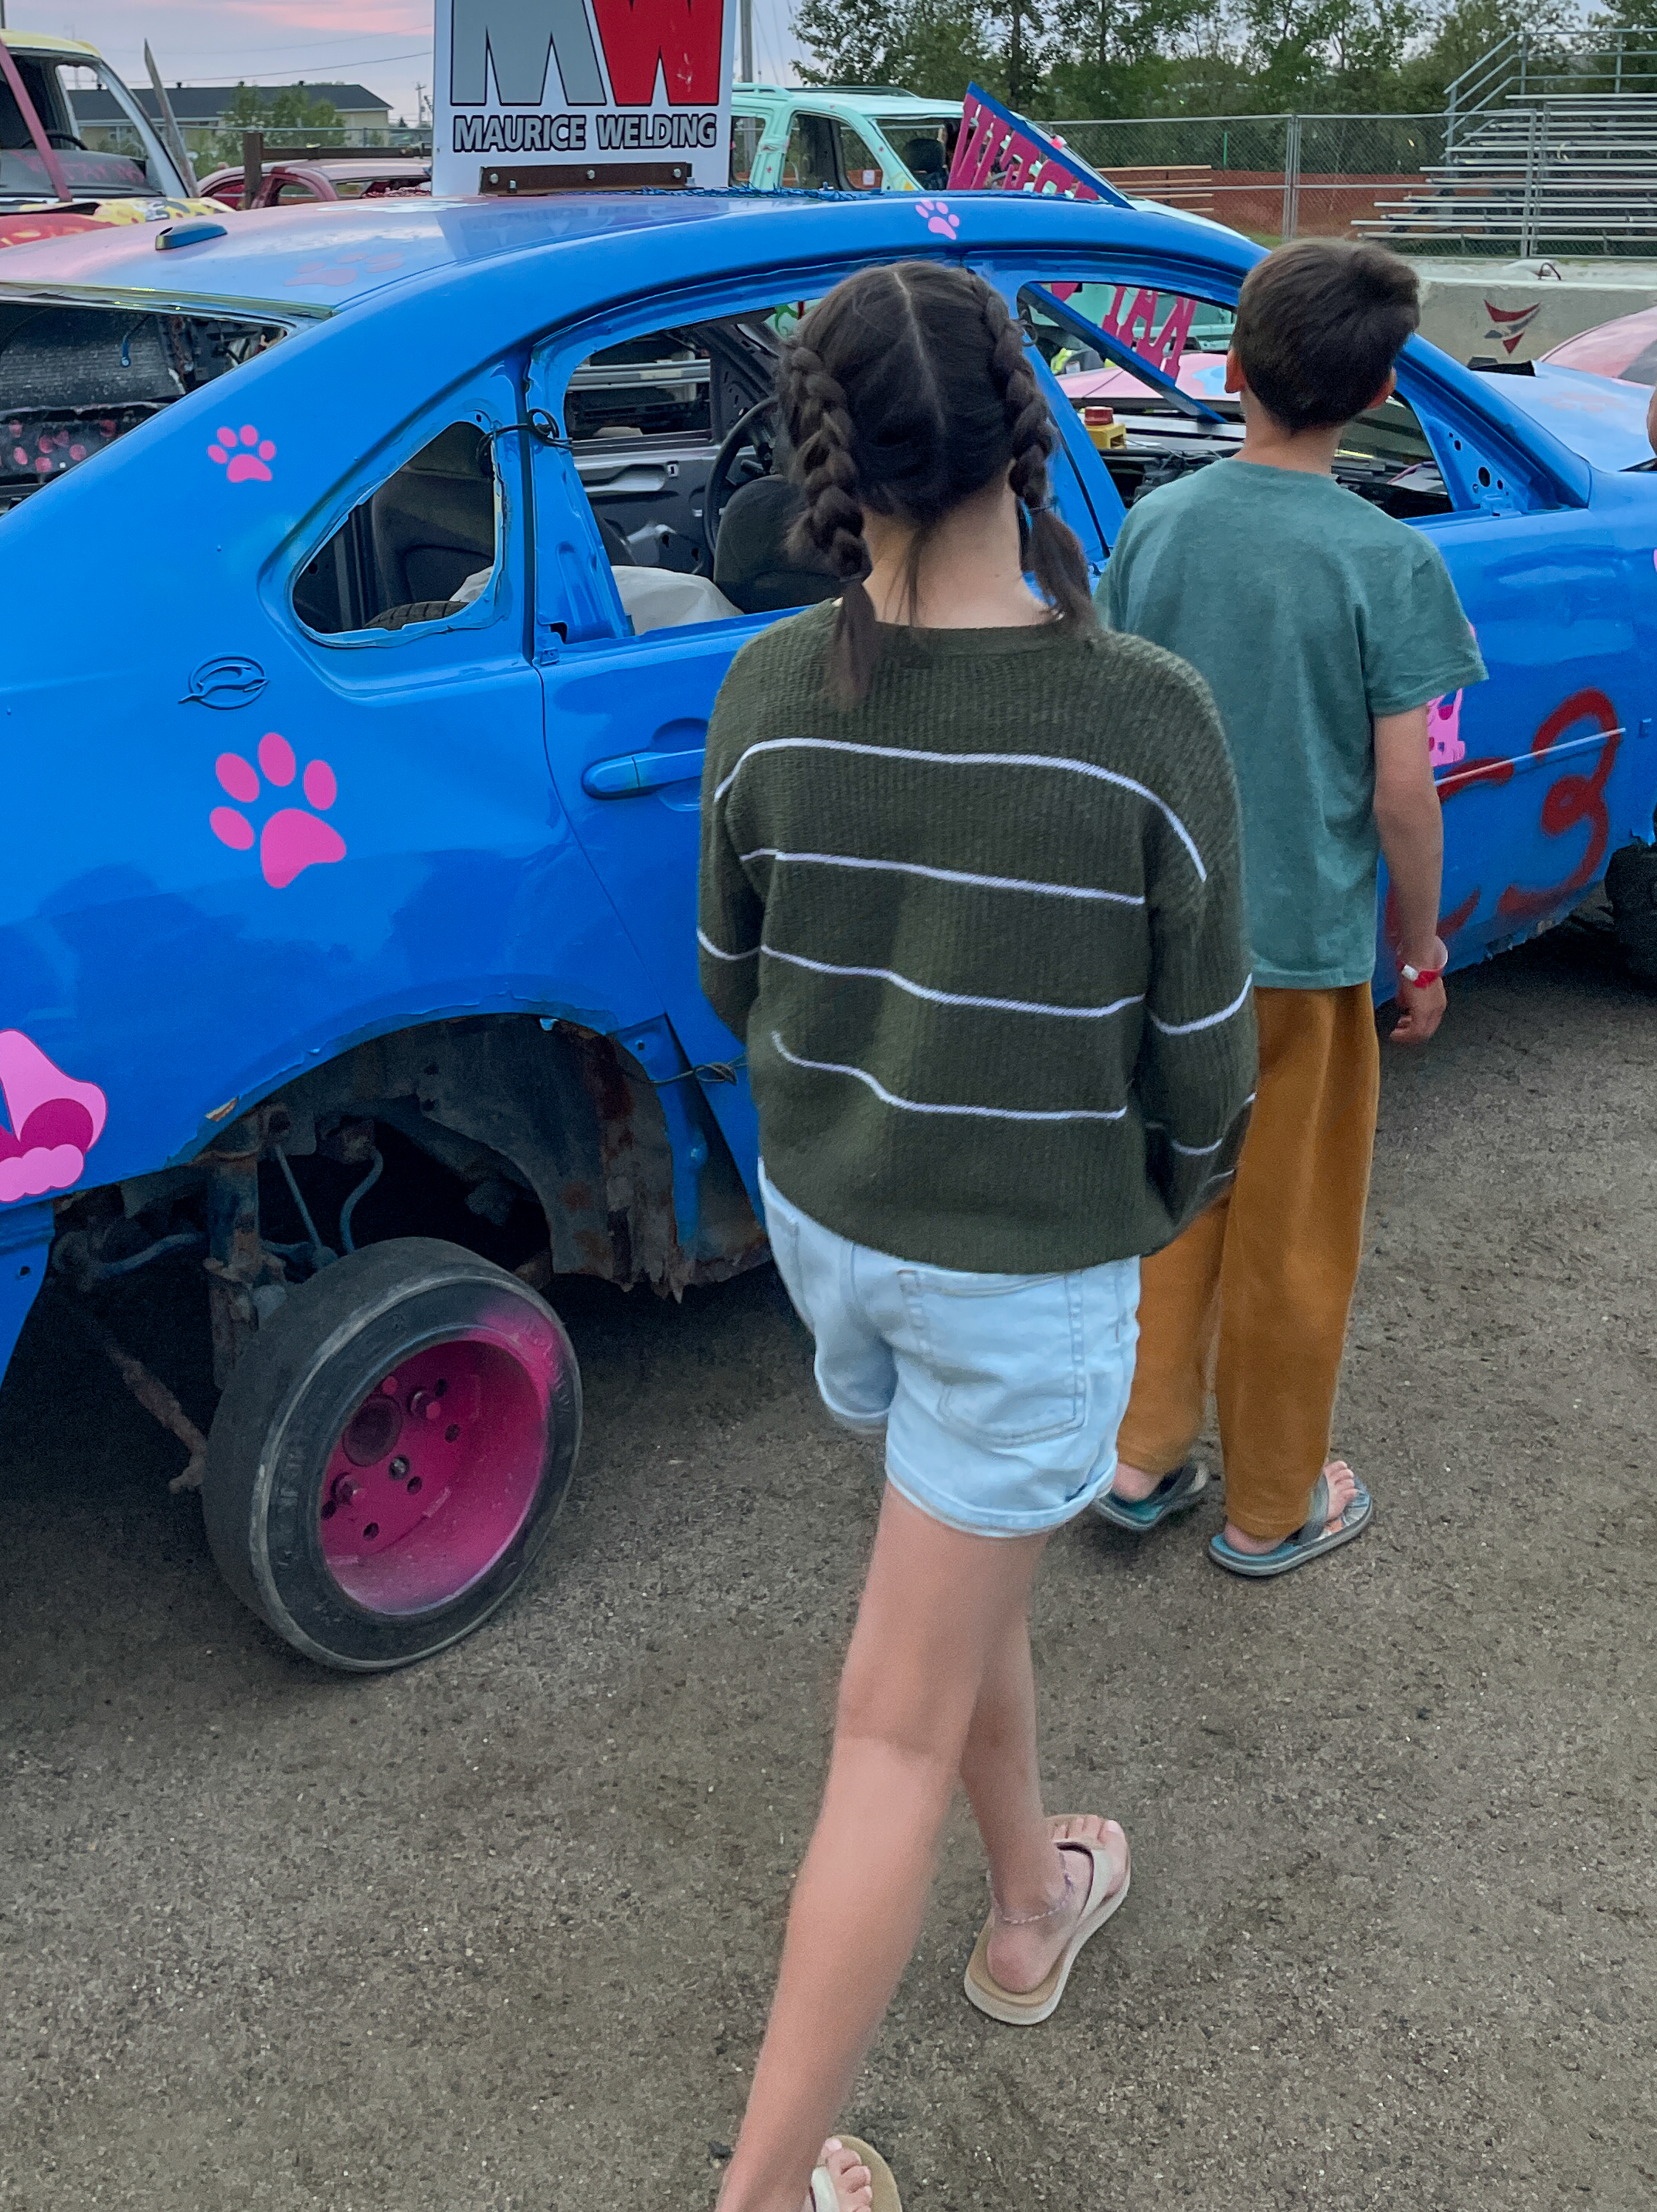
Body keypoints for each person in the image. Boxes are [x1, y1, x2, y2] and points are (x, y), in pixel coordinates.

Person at [701, 260, 1256, 2212]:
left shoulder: (769, 688)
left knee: (960, 1546)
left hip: (832, 1230)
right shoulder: (1142, 719)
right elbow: (1206, 1062)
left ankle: (1033, 1900)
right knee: (884, 1726)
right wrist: (1166, 1206)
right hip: (1018, 1268)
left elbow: (728, 974)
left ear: (830, 452)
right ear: (1033, 428)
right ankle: (764, 2191)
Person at [1096, 239, 1482, 1577]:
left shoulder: (1151, 528)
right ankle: (1270, 1502)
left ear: (1236, 362)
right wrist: (1418, 948)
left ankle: (1136, 1454)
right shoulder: (1387, 561)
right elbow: (1400, 795)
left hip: (1167, 952)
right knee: (1290, 1230)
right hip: (1304, 957)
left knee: (1173, 1201)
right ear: (1374, 383)